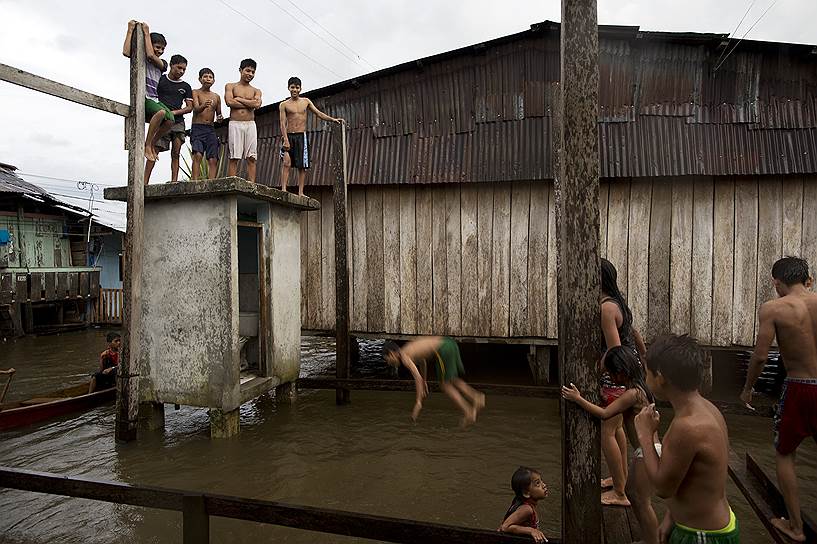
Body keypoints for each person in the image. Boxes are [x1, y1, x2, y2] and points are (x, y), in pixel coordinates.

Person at [740, 256, 817, 542]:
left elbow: (761, 355)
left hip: (799, 386)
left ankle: (795, 527)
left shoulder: (773, 308)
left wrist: (748, 388)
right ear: (807, 279)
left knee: (785, 453)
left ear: (776, 282)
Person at [636, 334, 738, 544]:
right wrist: (671, 516)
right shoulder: (706, 408)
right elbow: (691, 478)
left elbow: (662, 488)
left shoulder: (688, 427)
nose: (645, 379)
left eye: (647, 373)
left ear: (661, 377)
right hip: (708, 524)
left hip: (702, 534)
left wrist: (645, 435)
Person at [562, 346, 659, 544]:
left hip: (647, 451)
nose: (610, 379)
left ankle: (652, 540)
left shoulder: (632, 394)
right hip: (650, 450)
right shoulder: (642, 389)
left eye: (611, 374)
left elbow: (605, 414)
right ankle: (650, 538)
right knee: (635, 496)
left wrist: (578, 398)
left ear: (621, 373)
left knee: (642, 502)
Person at [598, 258, 648, 507]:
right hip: (631, 370)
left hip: (619, 372)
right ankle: (620, 480)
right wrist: (643, 355)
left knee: (606, 431)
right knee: (617, 429)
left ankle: (619, 493)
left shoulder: (606, 308)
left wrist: (600, 368)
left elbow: (615, 349)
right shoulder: (619, 302)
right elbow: (635, 334)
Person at [383, 336, 485, 427]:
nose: (389, 363)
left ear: (392, 354)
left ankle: (468, 411)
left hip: (442, 349)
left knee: (445, 385)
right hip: (449, 343)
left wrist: (418, 402)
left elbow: (417, 377)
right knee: (451, 379)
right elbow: (423, 362)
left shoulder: (405, 357)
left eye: (387, 360)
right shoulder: (408, 350)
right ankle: (476, 396)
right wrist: (425, 380)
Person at [122, 20, 173, 184]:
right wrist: (131, 30)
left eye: (162, 48)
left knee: (170, 119)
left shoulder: (162, 64)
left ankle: (150, 143)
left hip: (154, 98)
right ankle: (148, 144)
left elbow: (152, 56)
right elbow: (126, 52)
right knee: (160, 112)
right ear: (149, 44)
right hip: (142, 97)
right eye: (157, 46)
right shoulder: (141, 56)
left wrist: (146, 32)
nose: (159, 50)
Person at [278, 76, 344, 196]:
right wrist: (285, 139)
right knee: (286, 163)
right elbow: (282, 123)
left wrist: (332, 119)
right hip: (288, 136)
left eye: (297, 87)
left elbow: (318, 113)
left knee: (302, 165)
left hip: (301, 136)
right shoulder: (283, 105)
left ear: (300, 89)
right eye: (292, 87)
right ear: (288, 88)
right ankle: (283, 189)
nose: (295, 90)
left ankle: (301, 192)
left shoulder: (306, 102)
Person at [149, 54, 193, 183]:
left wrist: (173, 113)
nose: (181, 71)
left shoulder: (186, 86)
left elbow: (189, 107)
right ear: (171, 65)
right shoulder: (160, 80)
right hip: (161, 121)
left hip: (178, 122)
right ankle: (144, 181)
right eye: (179, 68)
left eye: (184, 69)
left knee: (176, 152)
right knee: (154, 149)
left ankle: (174, 181)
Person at [225, 59, 262, 182]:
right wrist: (249, 103)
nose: (250, 74)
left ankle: (252, 185)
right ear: (240, 70)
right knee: (234, 156)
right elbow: (229, 102)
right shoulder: (231, 86)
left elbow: (257, 104)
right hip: (235, 123)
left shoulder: (256, 90)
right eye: (247, 70)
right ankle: (231, 183)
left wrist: (239, 99)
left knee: (251, 157)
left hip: (250, 124)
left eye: (253, 72)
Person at [498, 466, 549, 543]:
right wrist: (531, 531)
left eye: (541, 481)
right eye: (537, 483)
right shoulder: (526, 509)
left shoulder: (527, 504)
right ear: (526, 493)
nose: (544, 485)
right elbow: (505, 527)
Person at [191, 68, 223, 180]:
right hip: (197, 127)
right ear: (200, 79)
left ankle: (211, 183)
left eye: (210, 77)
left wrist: (220, 118)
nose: (208, 79)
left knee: (213, 158)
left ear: (213, 80)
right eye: (205, 76)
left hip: (210, 129)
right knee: (198, 155)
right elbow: (195, 109)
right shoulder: (195, 92)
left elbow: (219, 114)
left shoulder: (216, 97)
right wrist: (203, 105)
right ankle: (194, 182)